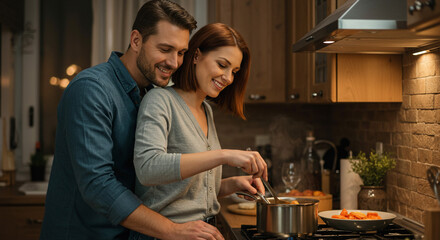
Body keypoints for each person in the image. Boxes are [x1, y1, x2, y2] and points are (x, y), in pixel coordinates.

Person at [40, 1, 224, 239]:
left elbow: (151, 182)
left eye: (181, 52)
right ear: (136, 40)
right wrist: (172, 230)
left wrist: (225, 187)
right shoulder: (91, 90)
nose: (174, 62)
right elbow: (98, 185)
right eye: (165, 49)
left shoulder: (151, 93)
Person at [130, 23, 268, 240]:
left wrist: (231, 185)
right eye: (222, 65)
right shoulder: (159, 100)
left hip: (203, 233)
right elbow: (148, 168)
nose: (229, 78)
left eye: (234, 71)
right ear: (196, 56)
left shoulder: (205, 110)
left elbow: (183, 190)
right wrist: (224, 156)